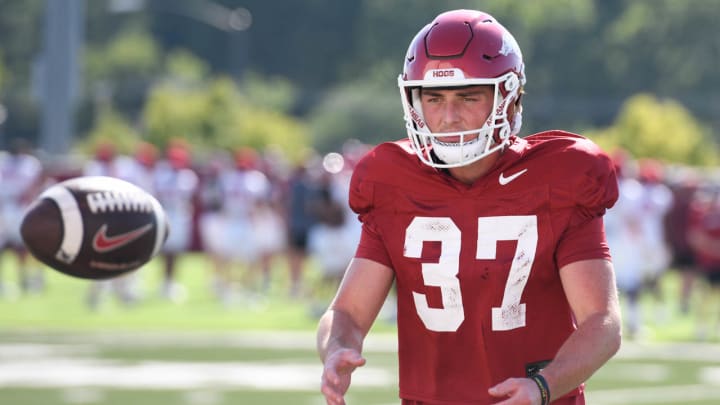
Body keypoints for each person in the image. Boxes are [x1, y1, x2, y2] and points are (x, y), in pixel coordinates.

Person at [316, 9, 622, 405]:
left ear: (508, 97)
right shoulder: (393, 183)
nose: (448, 117)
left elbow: (603, 322)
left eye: (468, 97)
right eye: (434, 98)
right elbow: (347, 314)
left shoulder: (559, 179)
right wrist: (336, 347)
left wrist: (542, 386)